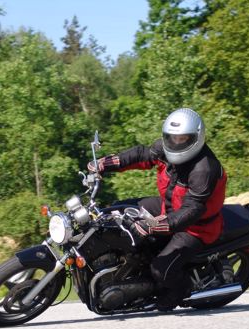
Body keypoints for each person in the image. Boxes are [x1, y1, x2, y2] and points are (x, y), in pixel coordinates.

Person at [88, 108, 227, 311]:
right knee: (117, 211)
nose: (176, 143)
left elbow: (192, 210)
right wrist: (105, 164)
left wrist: (152, 225)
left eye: (183, 139)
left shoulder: (204, 169)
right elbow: (142, 155)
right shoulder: (166, 149)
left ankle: (180, 290)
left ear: (196, 138)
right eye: (172, 138)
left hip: (195, 228)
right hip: (168, 207)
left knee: (160, 270)